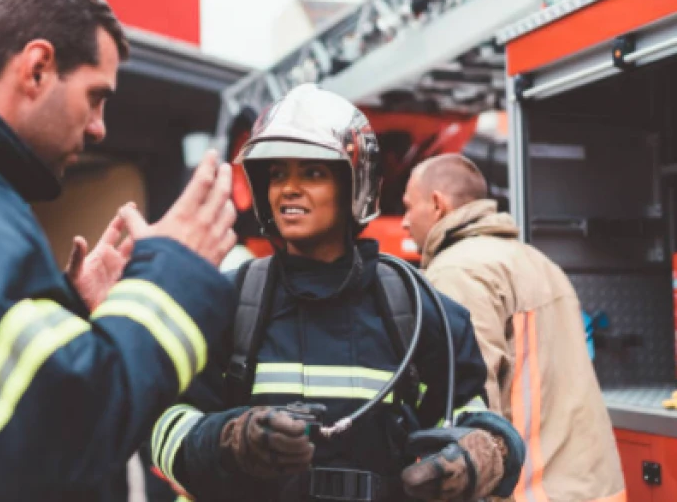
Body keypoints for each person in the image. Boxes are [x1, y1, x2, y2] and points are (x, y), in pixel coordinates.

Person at [0, 0, 238, 502]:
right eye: (96, 97)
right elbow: (54, 444)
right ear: (37, 68)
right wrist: (173, 278)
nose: (99, 128)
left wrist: (70, 318)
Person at [148, 84, 524, 502]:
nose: (288, 188)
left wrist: (482, 455)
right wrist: (231, 439)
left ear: (355, 185)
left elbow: (472, 415)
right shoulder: (225, 305)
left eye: (312, 172)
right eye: (277, 173)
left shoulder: (421, 312)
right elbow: (165, 429)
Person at [401, 153, 625, 502]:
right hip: (594, 488)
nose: (403, 222)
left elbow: (471, 414)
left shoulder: (457, 272)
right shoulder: (537, 261)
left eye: (407, 207)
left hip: (529, 493)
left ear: (437, 204)